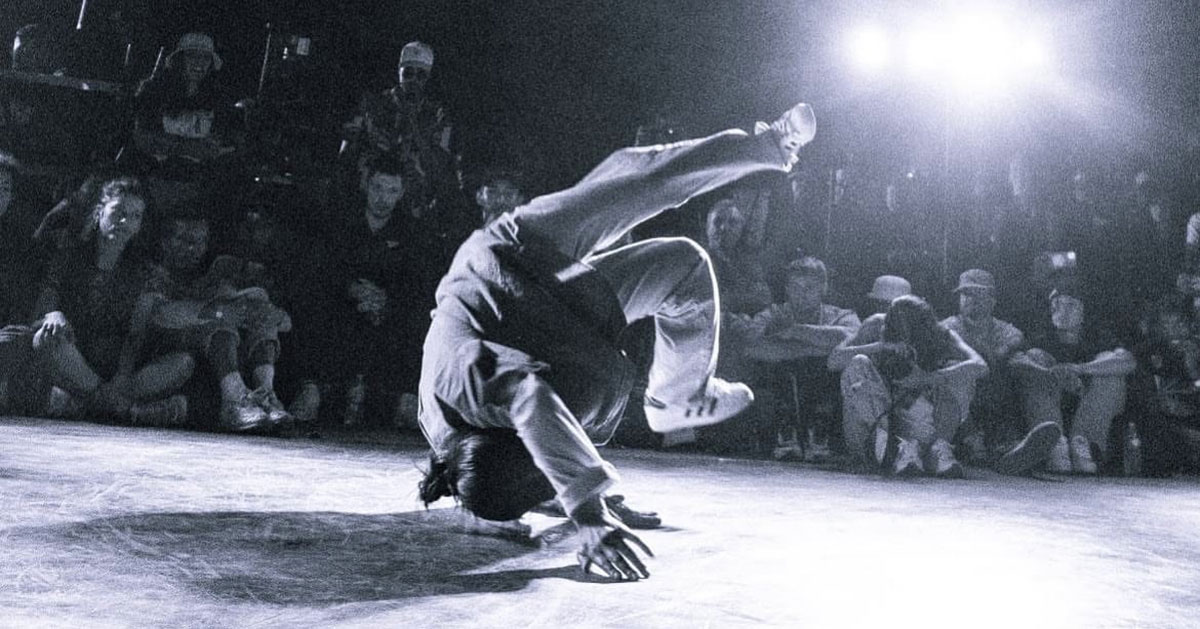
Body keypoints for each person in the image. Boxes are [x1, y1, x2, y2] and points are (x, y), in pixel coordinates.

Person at [416, 102, 817, 580]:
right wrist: (573, 494)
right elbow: (518, 459)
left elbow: (531, 401)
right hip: (556, 320)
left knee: (635, 184)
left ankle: (769, 144)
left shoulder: (456, 385)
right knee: (684, 267)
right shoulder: (473, 457)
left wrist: (587, 508)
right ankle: (677, 397)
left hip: (508, 259)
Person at [3, 174, 193, 424]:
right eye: (119, 212)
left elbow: (135, 335)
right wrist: (53, 314)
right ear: (100, 212)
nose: (125, 222)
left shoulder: (143, 272)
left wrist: (122, 375)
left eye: (135, 216)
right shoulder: (69, 258)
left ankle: (94, 405)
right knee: (46, 338)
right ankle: (129, 411)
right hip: (73, 360)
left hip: (117, 369)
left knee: (183, 363)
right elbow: (40, 314)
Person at [831, 295, 987, 477]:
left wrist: (927, 378)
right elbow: (834, 360)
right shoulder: (875, 325)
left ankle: (937, 450)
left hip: (923, 417)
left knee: (961, 370)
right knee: (858, 362)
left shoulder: (942, 334)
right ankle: (882, 451)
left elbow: (980, 366)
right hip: (883, 417)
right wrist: (881, 346)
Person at [1011, 289, 1137, 474]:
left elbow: (1128, 362)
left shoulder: (1098, 338)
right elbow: (1015, 361)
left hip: (1089, 414)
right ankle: (1054, 445)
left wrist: (1079, 369)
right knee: (1034, 357)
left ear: (1083, 312)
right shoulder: (1041, 336)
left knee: (1109, 365)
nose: (1061, 310)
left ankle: (1083, 445)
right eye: (1056, 304)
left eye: (1070, 304)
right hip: (1049, 409)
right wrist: (1053, 374)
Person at [939, 269, 1027, 462]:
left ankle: (1009, 441)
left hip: (995, 400)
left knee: (1021, 362)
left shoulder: (1001, 329)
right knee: (955, 366)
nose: (971, 299)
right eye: (966, 294)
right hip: (962, 407)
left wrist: (1001, 351)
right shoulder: (950, 326)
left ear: (992, 300)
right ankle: (971, 441)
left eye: (978, 293)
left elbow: (1016, 337)